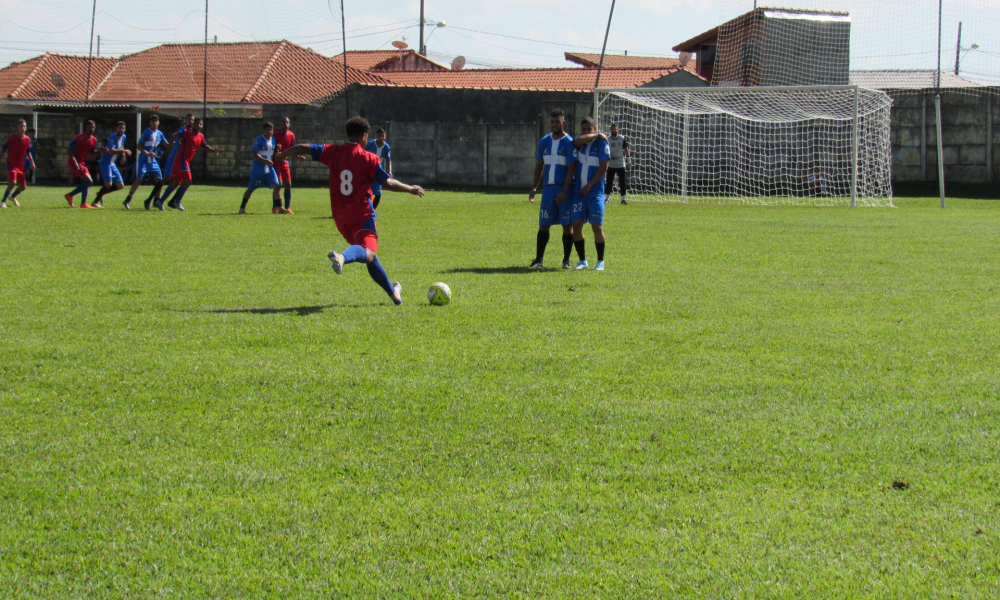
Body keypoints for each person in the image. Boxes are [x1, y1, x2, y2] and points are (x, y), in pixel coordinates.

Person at [273, 116, 425, 306]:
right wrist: (410, 188)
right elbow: (386, 182)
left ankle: (394, 294)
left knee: (370, 257)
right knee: (368, 252)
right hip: (361, 216)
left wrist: (284, 154)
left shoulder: (333, 151)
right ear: (363, 136)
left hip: (340, 218)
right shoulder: (368, 157)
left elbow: (304, 147)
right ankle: (342, 257)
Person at [528, 108, 577, 269]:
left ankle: (566, 261)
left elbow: (571, 169)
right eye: (553, 121)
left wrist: (564, 191)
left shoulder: (569, 142)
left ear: (564, 122)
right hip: (548, 190)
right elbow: (539, 166)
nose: (555, 124)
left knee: (567, 226)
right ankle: (539, 259)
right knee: (543, 225)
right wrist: (534, 187)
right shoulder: (544, 142)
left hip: (564, 189)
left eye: (558, 121)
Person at [569, 117, 611, 270]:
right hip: (578, 191)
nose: (585, 132)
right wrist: (598, 134)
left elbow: (603, 168)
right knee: (577, 224)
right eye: (583, 129)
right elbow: (580, 141)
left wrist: (590, 185)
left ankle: (600, 261)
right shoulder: (578, 142)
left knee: (596, 226)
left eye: (589, 129)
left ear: (594, 128)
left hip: (595, 192)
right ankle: (582, 261)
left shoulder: (602, 144)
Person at [159, 117, 224, 211]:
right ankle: (177, 201)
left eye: (201, 124)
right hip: (181, 160)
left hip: (186, 162)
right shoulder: (187, 132)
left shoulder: (201, 136)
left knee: (176, 182)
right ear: (193, 125)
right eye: (197, 123)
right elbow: (174, 135)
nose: (199, 125)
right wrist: (170, 147)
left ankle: (160, 201)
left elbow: (204, 146)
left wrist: (213, 150)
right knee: (188, 181)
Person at [147, 114, 193, 210]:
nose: (190, 121)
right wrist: (169, 149)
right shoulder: (182, 130)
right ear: (185, 121)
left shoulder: (192, 132)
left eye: (192, 120)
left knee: (180, 181)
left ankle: (170, 201)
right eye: (189, 119)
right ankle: (151, 199)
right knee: (166, 179)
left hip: (182, 160)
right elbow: (175, 137)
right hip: (174, 158)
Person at [124, 114, 168, 210]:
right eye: (153, 121)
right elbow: (139, 146)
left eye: (157, 121)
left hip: (153, 160)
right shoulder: (146, 132)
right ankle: (128, 199)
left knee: (160, 180)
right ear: (150, 122)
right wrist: (146, 153)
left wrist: (176, 145)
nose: (155, 123)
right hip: (144, 159)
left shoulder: (160, 133)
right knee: (139, 178)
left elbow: (166, 144)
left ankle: (157, 199)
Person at [239, 122, 281, 214]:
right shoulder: (259, 140)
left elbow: (272, 151)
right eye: (267, 130)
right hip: (259, 169)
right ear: (264, 131)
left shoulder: (273, 139)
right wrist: (265, 161)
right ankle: (242, 208)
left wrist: (277, 149)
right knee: (251, 188)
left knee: (277, 185)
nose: (270, 132)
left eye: (271, 130)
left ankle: (280, 207)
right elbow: (255, 154)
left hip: (269, 168)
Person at [91, 121, 131, 208]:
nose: (122, 130)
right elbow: (111, 151)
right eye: (120, 128)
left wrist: (123, 155)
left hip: (112, 163)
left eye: (123, 128)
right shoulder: (113, 137)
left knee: (120, 186)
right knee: (108, 184)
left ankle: (101, 193)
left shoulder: (124, 136)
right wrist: (123, 151)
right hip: (106, 162)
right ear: (116, 128)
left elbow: (121, 146)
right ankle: (95, 202)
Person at [272, 117, 304, 214]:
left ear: (289, 124)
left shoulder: (291, 135)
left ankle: (287, 207)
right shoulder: (275, 134)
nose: (286, 124)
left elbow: (292, 149)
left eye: (287, 122)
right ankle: (275, 207)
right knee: (278, 184)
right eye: (284, 122)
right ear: (280, 124)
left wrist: (298, 157)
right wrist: (276, 150)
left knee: (288, 184)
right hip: (276, 162)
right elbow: (270, 146)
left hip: (285, 163)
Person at [0, 119, 34, 208]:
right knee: (13, 182)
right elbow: (3, 149)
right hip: (11, 164)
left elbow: (28, 152)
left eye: (24, 126)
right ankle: (3, 202)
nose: (23, 128)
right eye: (21, 126)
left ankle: (13, 196)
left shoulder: (27, 139)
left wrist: (32, 163)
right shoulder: (12, 138)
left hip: (20, 166)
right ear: (17, 127)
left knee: (23, 186)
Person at [65, 120, 99, 208]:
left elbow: (92, 154)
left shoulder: (94, 140)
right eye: (90, 127)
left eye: (93, 127)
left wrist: (101, 152)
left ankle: (71, 195)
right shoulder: (79, 138)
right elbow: (69, 150)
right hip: (74, 162)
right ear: (86, 128)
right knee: (88, 181)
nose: (91, 129)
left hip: (81, 162)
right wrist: (75, 162)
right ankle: (83, 203)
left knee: (88, 182)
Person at [365, 128, 391, 209]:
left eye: (382, 135)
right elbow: (364, 155)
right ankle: (364, 209)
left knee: (378, 194)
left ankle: (372, 210)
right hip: (368, 171)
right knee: (366, 192)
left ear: (385, 136)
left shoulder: (386, 147)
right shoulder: (370, 144)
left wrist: (389, 170)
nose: (381, 137)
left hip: (378, 171)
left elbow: (388, 159)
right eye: (379, 135)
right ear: (376, 136)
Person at [605, 123, 630, 205]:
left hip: (620, 164)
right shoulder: (608, 139)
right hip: (611, 164)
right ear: (610, 130)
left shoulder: (622, 139)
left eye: (615, 129)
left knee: (622, 182)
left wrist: (628, 159)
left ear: (618, 130)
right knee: (609, 182)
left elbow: (626, 149)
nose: (614, 130)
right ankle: (607, 199)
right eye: (612, 129)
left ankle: (623, 199)